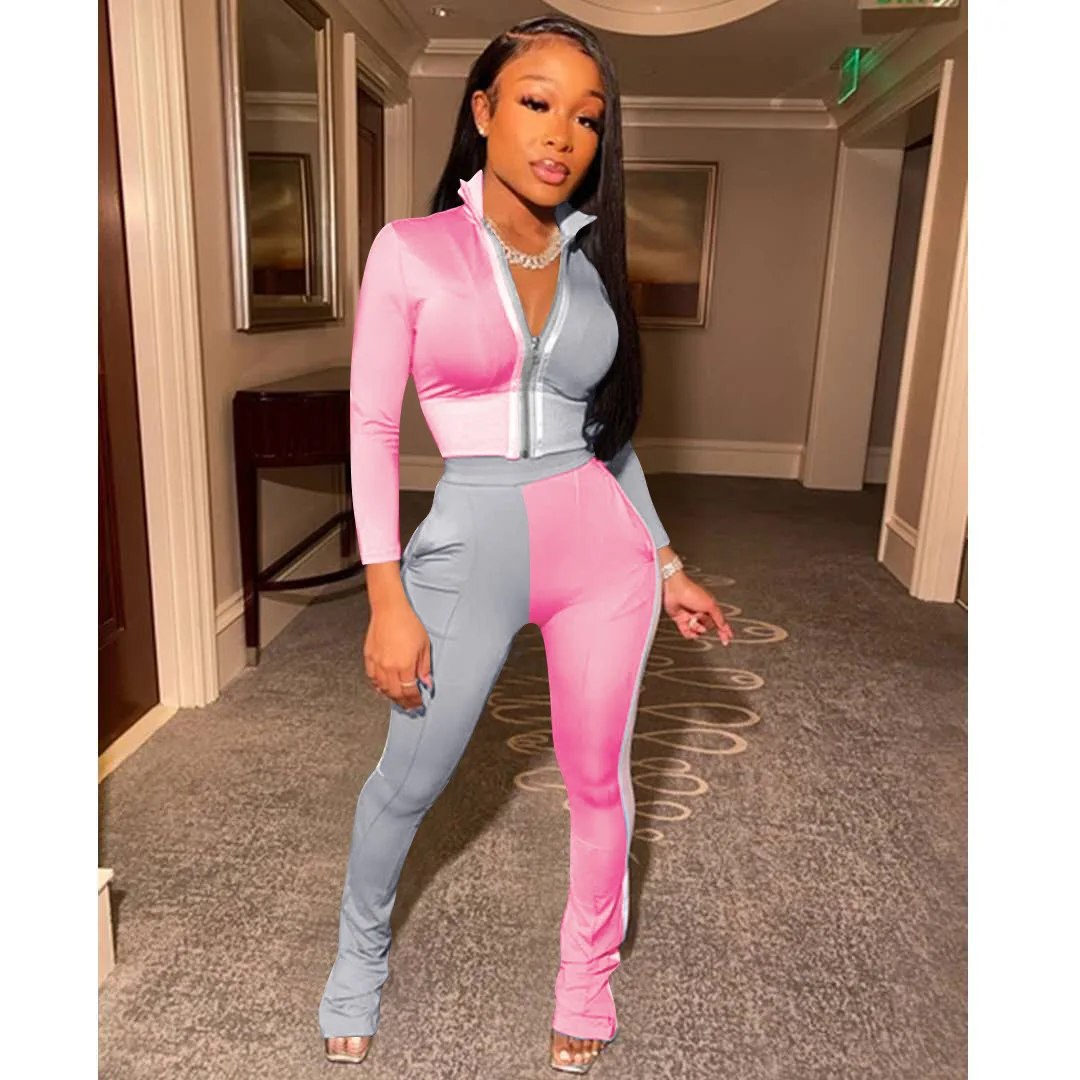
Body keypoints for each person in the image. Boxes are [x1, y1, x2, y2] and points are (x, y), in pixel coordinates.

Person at [319, 14, 733, 1074]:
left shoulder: (592, 266)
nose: (563, 135)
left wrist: (668, 563)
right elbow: (371, 428)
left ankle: (585, 979)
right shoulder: (411, 250)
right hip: (469, 549)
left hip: (604, 558)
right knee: (409, 780)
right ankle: (359, 955)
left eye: (588, 118)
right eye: (538, 103)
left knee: (601, 781)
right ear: (484, 109)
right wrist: (385, 597)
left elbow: (608, 440)